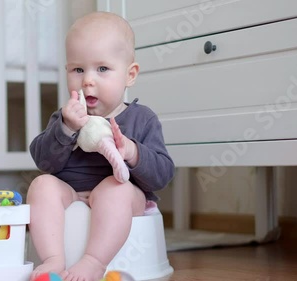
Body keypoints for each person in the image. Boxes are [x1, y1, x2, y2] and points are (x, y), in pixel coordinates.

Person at [27, 11, 175, 281]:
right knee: (41, 185)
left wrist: (131, 152)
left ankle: (94, 261)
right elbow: (43, 162)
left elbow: (163, 174)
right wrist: (67, 129)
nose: (88, 80)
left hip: (121, 196)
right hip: (72, 193)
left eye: (102, 69)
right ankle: (53, 258)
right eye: (78, 69)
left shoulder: (142, 119)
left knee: (114, 189)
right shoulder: (66, 117)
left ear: (130, 75)